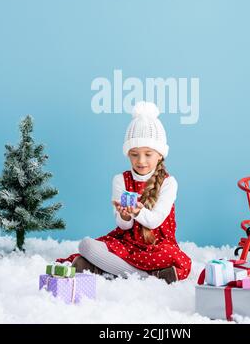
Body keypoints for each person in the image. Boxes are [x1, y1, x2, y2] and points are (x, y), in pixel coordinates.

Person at [55, 101, 192, 284]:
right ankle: (147, 277)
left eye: (148, 154)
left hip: (156, 246)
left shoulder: (168, 182)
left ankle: (106, 270)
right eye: (134, 154)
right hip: (126, 243)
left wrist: (137, 211)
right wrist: (125, 216)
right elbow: (123, 225)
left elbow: (155, 220)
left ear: (160, 154)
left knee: (176, 258)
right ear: (128, 154)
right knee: (86, 245)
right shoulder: (121, 179)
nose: (140, 160)